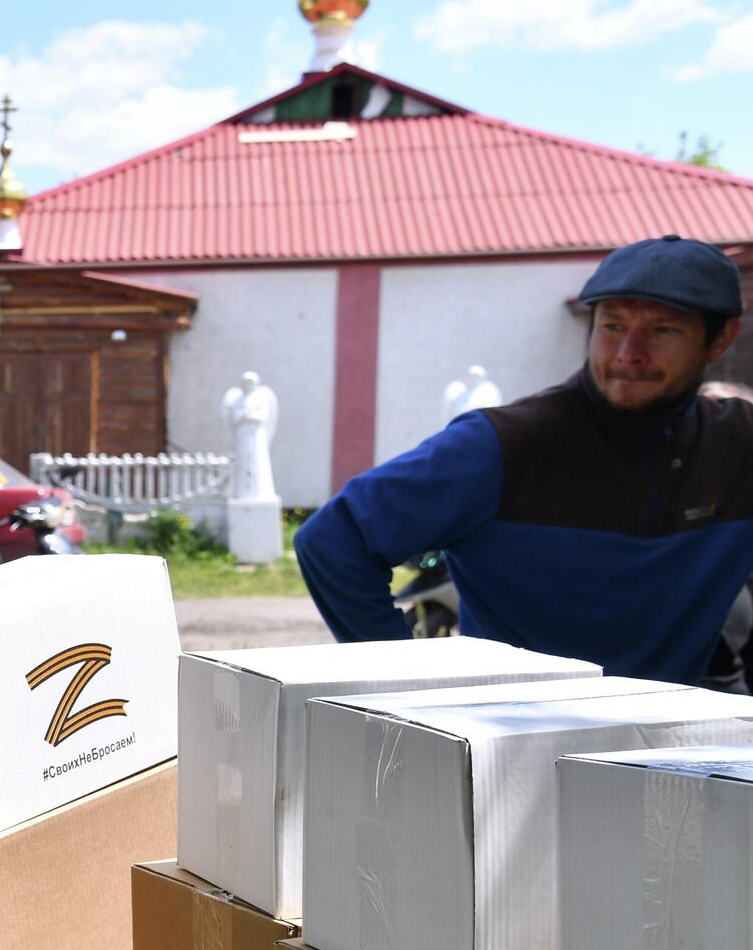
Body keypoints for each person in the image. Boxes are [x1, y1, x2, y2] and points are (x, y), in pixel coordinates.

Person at [295, 234, 751, 683]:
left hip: (669, 749)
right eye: (613, 326)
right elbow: (332, 540)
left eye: (663, 330)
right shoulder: (505, 444)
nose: (629, 353)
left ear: (720, 339)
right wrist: (409, 689)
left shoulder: (739, 443)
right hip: (517, 745)